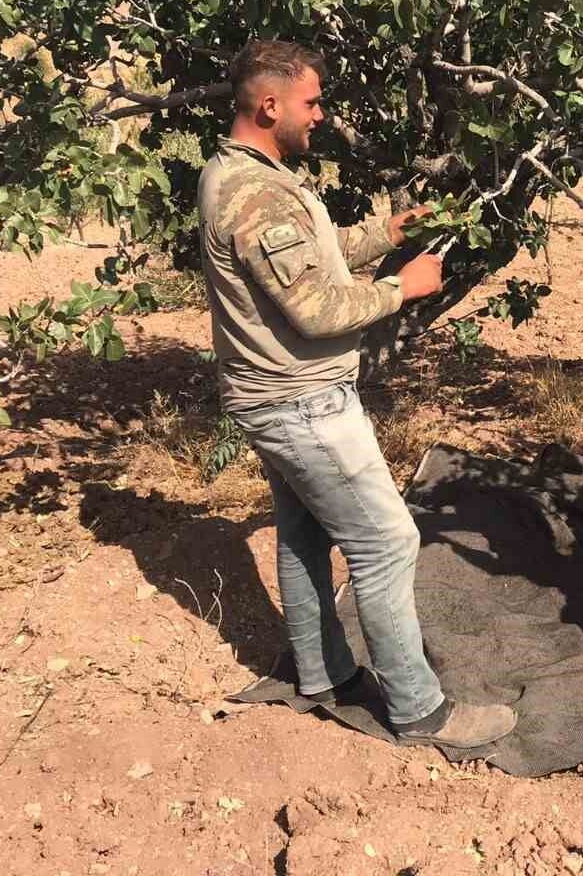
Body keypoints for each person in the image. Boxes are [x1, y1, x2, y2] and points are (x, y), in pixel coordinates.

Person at [196, 39, 517, 749]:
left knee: (305, 534)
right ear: (269, 103)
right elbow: (313, 307)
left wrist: (384, 233)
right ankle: (419, 709)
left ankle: (322, 674)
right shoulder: (256, 194)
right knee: (387, 542)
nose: (319, 115)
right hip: (302, 403)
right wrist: (403, 287)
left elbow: (302, 260)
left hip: (270, 397)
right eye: (310, 102)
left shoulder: (241, 174)